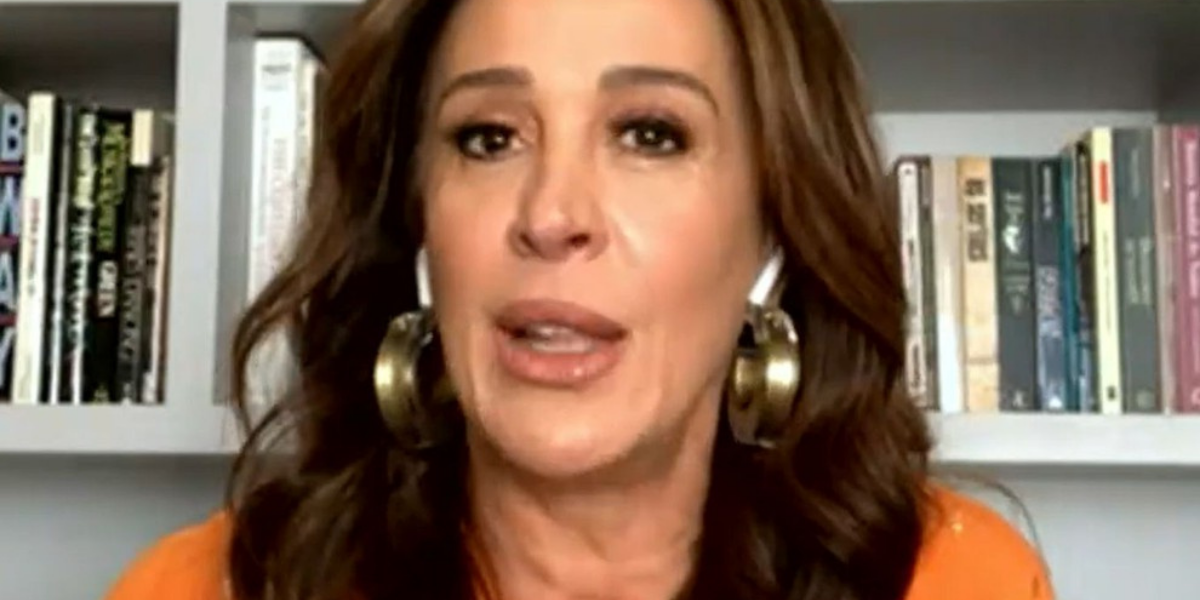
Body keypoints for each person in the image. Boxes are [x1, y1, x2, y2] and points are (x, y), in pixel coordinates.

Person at [106, 0, 1055, 598]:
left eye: (650, 134)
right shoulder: (201, 589)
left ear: (775, 228)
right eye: (488, 138)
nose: (552, 216)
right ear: (417, 220)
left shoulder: (955, 580)